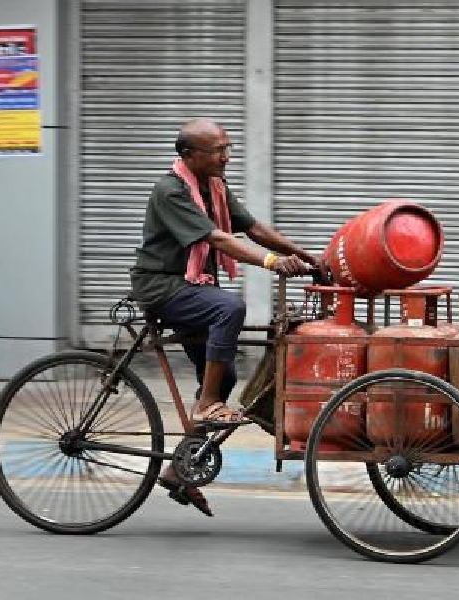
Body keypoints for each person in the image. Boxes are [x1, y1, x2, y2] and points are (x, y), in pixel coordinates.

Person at [130, 118, 323, 515]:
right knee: (229, 307)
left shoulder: (213, 187)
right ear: (189, 155)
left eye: (227, 147)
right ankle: (206, 406)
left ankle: (180, 469)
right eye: (218, 150)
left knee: (227, 375)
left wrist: (305, 257)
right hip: (163, 287)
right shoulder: (170, 190)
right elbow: (216, 239)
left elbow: (252, 228)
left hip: (190, 285)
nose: (226, 156)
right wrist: (272, 263)